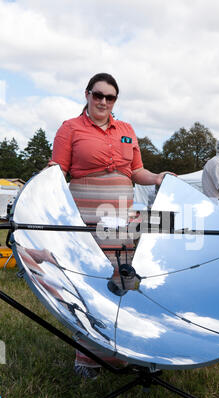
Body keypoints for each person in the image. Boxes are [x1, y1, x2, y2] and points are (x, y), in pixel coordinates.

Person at [48, 72, 174, 378]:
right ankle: (89, 357)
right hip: (86, 217)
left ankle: (122, 351)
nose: (103, 101)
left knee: (123, 277)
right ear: (87, 95)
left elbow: (137, 170)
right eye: (98, 95)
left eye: (110, 97)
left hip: (121, 218)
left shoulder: (127, 130)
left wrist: (158, 178)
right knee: (90, 281)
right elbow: (57, 172)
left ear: (115, 100)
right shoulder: (70, 128)